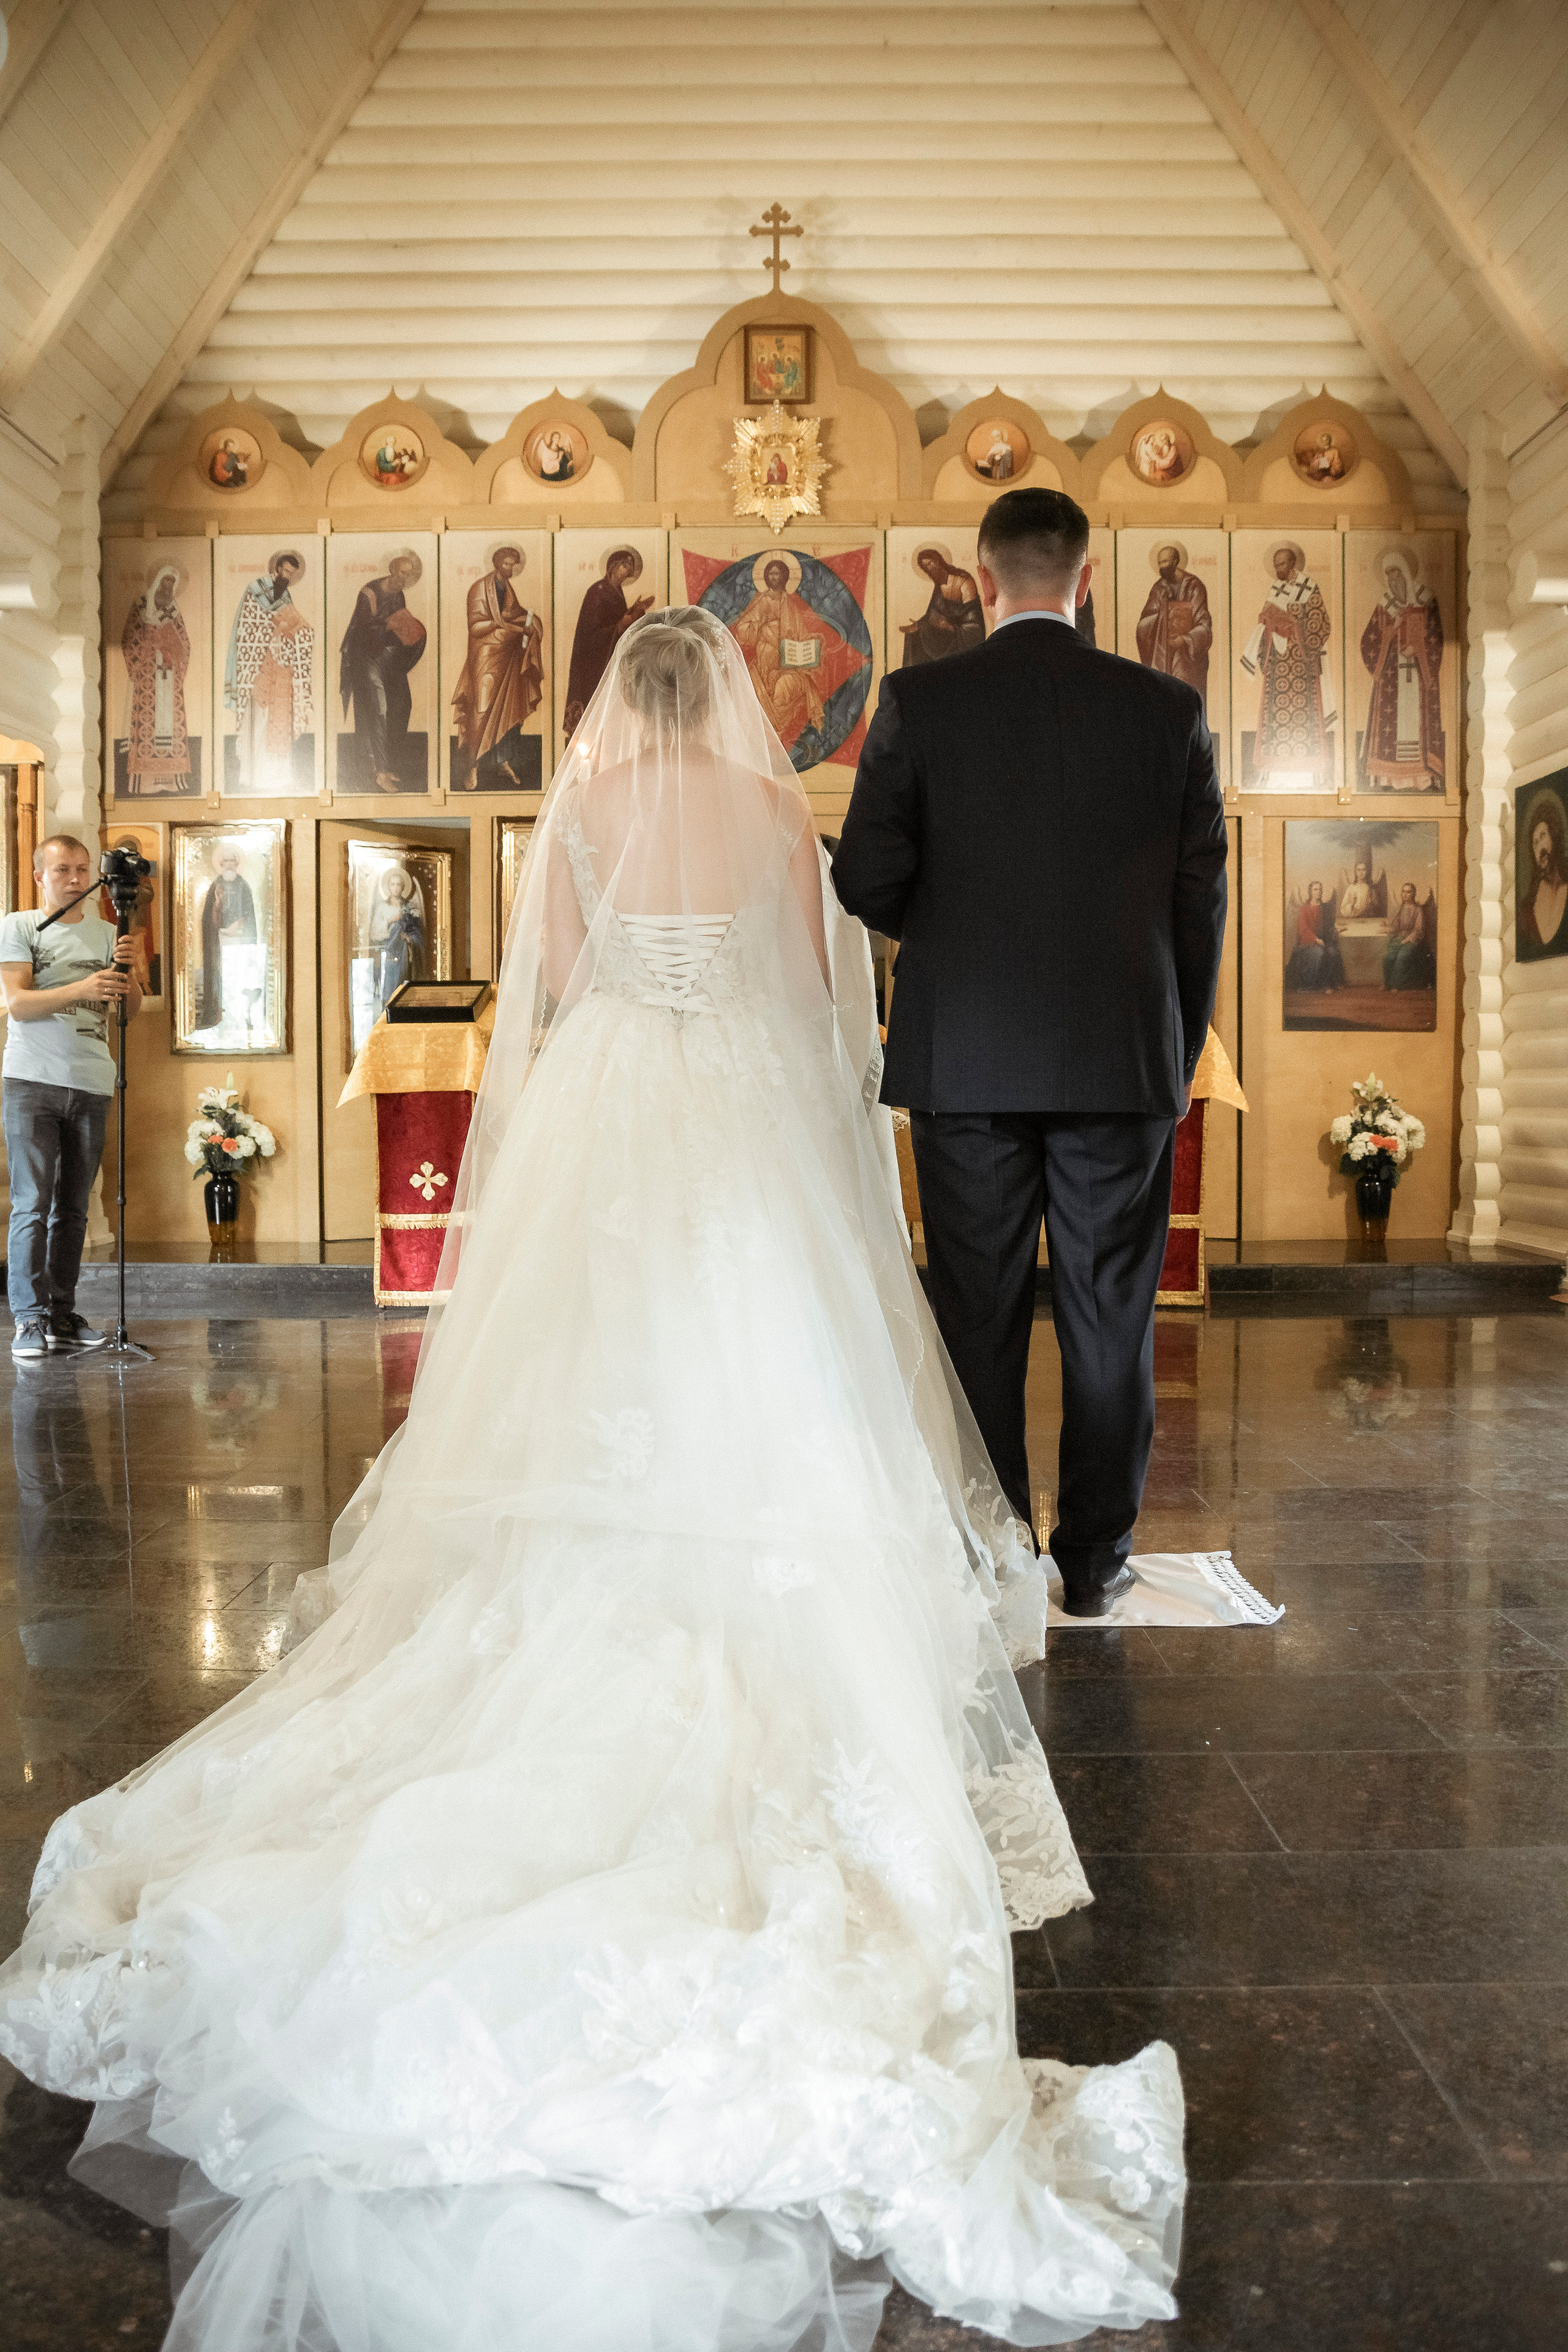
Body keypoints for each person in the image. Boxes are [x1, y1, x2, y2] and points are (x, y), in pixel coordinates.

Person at [0, 613, 1185, 2351]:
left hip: (616, 1107)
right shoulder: (778, 820)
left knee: (589, 1374)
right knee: (762, 1368)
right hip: (744, 1117)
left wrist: (617, 1025)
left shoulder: (579, 806)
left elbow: (548, 994)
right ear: (728, 703)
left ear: (611, 706)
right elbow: (807, 983)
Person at [832, 487, 1227, 1618]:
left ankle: (993, 1547)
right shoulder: (1168, 708)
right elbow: (1200, 903)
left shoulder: (917, 701)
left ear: (984, 577)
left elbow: (863, 882)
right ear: (1089, 580)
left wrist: (955, 933)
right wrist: (1174, 1042)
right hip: (1121, 1064)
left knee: (977, 1313)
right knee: (1112, 1317)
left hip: (967, 1061)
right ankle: (1094, 1566)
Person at [0, 836, 140, 1360]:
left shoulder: (110, 934)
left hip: (92, 1080)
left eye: (83, 870)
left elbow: (128, 1017)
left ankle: (61, 1313)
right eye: (62, 870)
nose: (76, 879)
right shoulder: (18, 927)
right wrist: (83, 989)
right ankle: (29, 1321)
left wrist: (131, 981)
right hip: (31, 1079)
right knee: (32, 1204)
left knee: (74, 1208)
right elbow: (17, 1003)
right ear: (40, 876)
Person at [1240, 543, 1335, 788]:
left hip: (1302, 664)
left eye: (1282, 564)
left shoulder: (1310, 589)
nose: (1278, 570)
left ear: (1293, 564)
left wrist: (1293, 622)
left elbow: (1321, 624)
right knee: (1275, 714)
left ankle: (1311, 767)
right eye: (1275, 566)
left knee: (1306, 713)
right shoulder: (1276, 590)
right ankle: (1273, 767)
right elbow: (1264, 622)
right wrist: (1268, 621)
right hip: (1279, 665)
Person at [450, 545, 543, 788]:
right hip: (485, 658)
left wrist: (531, 624)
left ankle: (502, 761)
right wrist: (512, 627)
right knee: (482, 710)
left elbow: (514, 614)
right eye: (506, 564)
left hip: (508, 656)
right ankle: (472, 766)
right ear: (496, 563)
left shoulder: (507, 589)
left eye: (513, 565)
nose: (510, 568)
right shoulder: (479, 589)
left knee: (510, 708)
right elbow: (476, 627)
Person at [224, 549, 315, 793]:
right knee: (258, 720)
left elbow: (296, 625)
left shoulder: (285, 594)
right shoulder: (255, 589)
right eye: (285, 572)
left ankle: (278, 776)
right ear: (276, 569)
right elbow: (248, 624)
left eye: (292, 574)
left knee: (280, 719)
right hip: (259, 664)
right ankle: (254, 776)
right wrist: (274, 625)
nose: (287, 577)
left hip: (281, 664)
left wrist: (291, 629)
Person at [339, 548, 426, 791]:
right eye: (401, 571)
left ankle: (389, 765)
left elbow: (399, 621)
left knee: (402, 703)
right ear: (392, 569)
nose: (404, 577)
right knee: (379, 709)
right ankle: (379, 773)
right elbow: (363, 629)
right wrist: (391, 624)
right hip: (364, 656)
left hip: (386, 655)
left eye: (409, 574)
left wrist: (407, 630)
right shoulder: (370, 593)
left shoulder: (399, 594)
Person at [1359, 549, 1444, 790]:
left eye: (1398, 576)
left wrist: (1419, 647)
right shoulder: (1385, 605)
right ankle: (1388, 777)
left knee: (1417, 722)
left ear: (1407, 574)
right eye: (1389, 578)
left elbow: (1438, 638)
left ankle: (1424, 777)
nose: (1394, 582)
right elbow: (1368, 641)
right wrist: (1390, 634)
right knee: (1393, 724)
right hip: (1392, 676)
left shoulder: (1426, 599)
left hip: (1419, 671)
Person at [562, 547, 654, 737]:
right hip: (594, 663)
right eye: (625, 565)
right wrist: (621, 626)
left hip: (610, 659)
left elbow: (615, 620)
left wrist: (634, 612)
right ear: (613, 566)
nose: (629, 570)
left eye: (631, 567)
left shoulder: (616, 592)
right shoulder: (597, 592)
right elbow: (590, 635)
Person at [120, 562, 194, 793]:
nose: (168, 588)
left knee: (170, 724)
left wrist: (170, 646)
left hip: (169, 676)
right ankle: (145, 781)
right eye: (165, 582)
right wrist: (148, 647)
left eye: (172, 584)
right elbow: (128, 639)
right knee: (147, 723)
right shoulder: (141, 606)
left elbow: (185, 645)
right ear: (157, 582)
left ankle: (172, 779)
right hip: (146, 677)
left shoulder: (174, 611)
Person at [1135, 543, 1212, 698]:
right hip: (1162, 656)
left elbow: (1204, 625)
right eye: (1160, 563)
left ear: (1176, 561)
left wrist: (1184, 640)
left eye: (1165, 562)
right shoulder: (1158, 588)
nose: (1162, 567)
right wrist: (1161, 614)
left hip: (1188, 659)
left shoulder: (1194, 586)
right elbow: (1143, 626)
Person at [900, 547, 985, 666]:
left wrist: (951, 627)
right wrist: (918, 625)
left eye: (930, 563)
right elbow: (933, 614)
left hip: (965, 634)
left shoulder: (964, 581)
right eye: (925, 567)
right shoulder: (939, 586)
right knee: (915, 635)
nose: (929, 569)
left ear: (939, 561)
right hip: (946, 633)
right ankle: (914, 679)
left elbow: (973, 619)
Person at [1520, 791, 1568, 952]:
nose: (1540, 848)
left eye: (1543, 836)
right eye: (1535, 844)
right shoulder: (1527, 907)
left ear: (1553, 836)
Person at [1285, 881, 1345, 992]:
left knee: (1333, 952)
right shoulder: (1304, 909)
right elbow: (1303, 929)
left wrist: (1335, 930)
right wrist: (1316, 939)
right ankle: (1319, 986)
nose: (1319, 892)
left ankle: (1331, 982)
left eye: (1320, 889)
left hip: (1323, 941)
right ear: (1311, 892)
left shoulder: (1325, 908)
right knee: (1320, 953)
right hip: (1308, 943)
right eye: (1315, 890)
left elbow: (1328, 926)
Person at [1382, 881, 1436, 990]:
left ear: (1413, 894)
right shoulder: (1401, 908)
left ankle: (1396, 985)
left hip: (1413, 940)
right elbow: (1396, 926)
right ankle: (1387, 984)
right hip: (1400, 938)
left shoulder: (1418, 910)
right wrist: (1388, 927)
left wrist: (1407, 939)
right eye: (1403, 892)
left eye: (1408, 892)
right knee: (1388, 957)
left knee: (1402, 957)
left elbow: (1419, 930)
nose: (1405, 894)